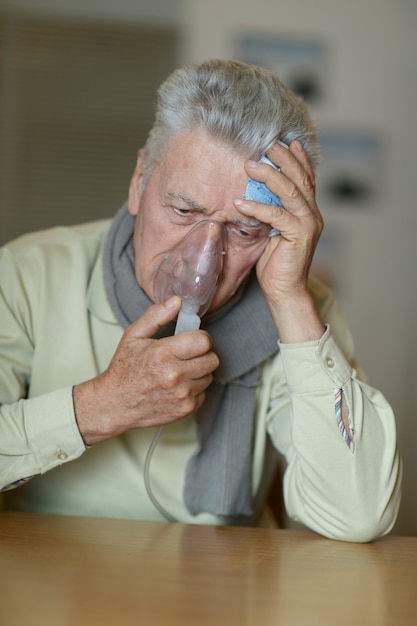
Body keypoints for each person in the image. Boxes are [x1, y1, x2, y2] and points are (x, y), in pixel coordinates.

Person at [0, 59, 401, 541]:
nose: (203, 257)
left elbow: (357, 515)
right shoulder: (27, 275)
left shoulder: (297, 308)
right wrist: (100, 405)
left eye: (245, 229)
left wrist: (291, 301)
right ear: (139, 180)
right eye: (184, 209)